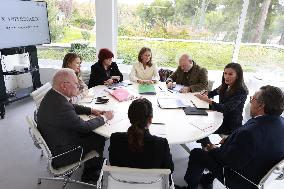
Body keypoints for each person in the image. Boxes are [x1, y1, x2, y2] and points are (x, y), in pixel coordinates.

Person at [178, 85, 284, 189]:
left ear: (261, 106)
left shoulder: (250, 133)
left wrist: (213, 150)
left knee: (197, 153)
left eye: (252, 99)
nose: (250, 102)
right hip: (257, 171)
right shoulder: (280, 122)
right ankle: (207, 180)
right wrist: (230, 141)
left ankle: (191, 186)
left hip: (241, 178)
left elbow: (228, 162)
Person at [37, 68, 114, 183]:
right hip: (63, 153)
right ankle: (90, 173)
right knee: (98, 138)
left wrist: (92, 110)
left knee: (92, 133)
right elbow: (84, 127)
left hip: (57, 138)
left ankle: (93, 163)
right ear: (64, 85)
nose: (79, 87)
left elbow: (71, 106)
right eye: (76, 84)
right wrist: (105, 117)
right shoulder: (61, 107)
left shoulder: (53, 95)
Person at [108, 98, 174, 175]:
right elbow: (170, 170)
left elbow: (113, 163)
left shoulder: (115, 139)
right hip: (152, 185)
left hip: (122, 183)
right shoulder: (161, 144)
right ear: (150, 119)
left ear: (129, 117)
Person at [195, 63, 248, 149]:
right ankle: (207, 145)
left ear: (237, 76)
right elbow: (213, 92)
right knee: (197, 120)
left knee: (201, 128)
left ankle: (208, 146)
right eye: (225, 73)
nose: (226, 76)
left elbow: (226, 108)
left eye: (230, 74)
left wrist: (208, 100)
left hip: (230, 124)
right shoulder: (226, 84)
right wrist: (206, 93)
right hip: (219, 116)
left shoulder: (242, 91)